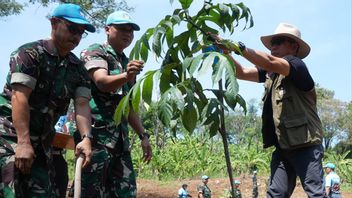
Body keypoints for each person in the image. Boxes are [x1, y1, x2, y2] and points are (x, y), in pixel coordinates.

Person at [214, 23, 325, 197]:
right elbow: (241, 72)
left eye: (279, 41)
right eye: (272, 43)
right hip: (283, 148)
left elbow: (270, 61)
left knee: (315, 193)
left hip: (306, 146)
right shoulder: (271, 74)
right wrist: (224, 53)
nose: (274, 46)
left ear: (294, 46)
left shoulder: (297, 66)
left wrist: (236, 47)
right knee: (275, 194)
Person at [0, 3, 95, 197]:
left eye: (81, 32)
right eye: (72, 29)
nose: (76, 36)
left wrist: (86, 138)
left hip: (42, 145)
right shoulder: (29, 55)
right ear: (54, 24)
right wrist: (23, 142)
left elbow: (83, 106)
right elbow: (19, 98)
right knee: (11, 191)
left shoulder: (78, 70)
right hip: (10, 137)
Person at [79, 10, 152, 197]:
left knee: (126, 193)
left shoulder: (126, 62)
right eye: (121, 29)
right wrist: (126, 75)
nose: (127, 34)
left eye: (130, 30)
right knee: (93, 192)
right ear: (107, 29)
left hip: (120, 143)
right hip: (96, 139)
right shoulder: (95, 51)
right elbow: (102, 82)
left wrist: (143, 135)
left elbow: (128, 107)